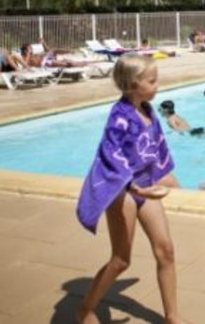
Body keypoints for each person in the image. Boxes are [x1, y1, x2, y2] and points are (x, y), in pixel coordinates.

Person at [75, 55, 183, 324]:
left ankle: (172, 317)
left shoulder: (148, 110)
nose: (157, 85)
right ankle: (85, 309)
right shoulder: (119, 117)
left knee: (166, 250)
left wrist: (163, 175)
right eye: (152, 81)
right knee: (121, 260)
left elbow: (156, 147)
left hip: (146, 186)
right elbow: (110, 156)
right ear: (134, 84)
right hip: (122, 189)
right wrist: (135, 188)